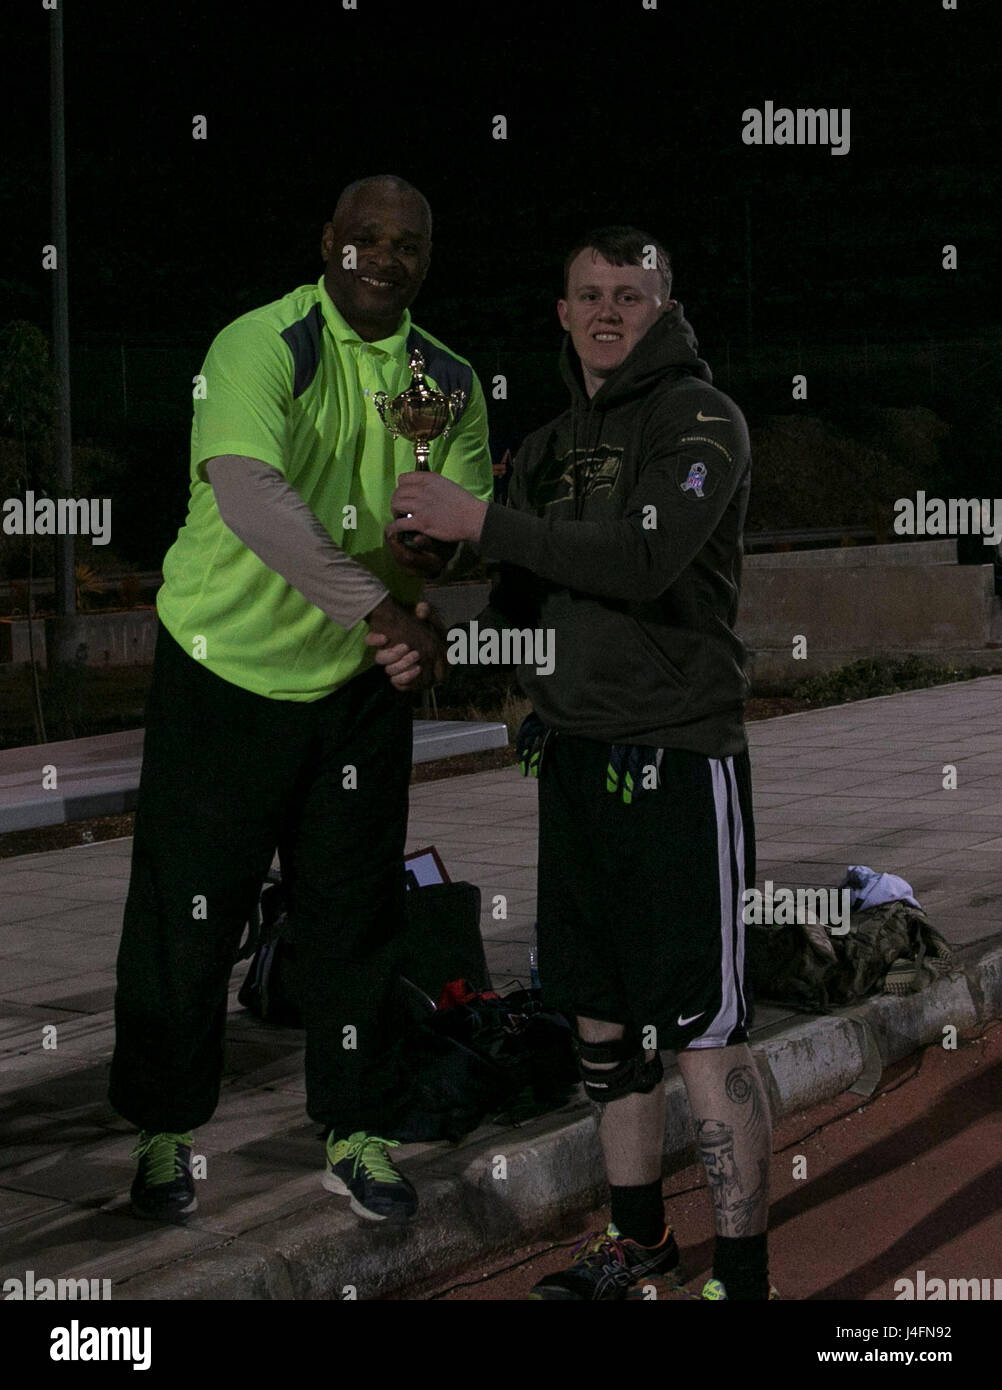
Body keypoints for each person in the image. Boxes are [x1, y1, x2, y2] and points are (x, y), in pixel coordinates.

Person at [372, 226, 775, 1298]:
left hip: (679, 758)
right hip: (577, 764)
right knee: (600, 1020)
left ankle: (742, 1275)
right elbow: (518, 595)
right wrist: (430, 627)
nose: (608, 311)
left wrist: (486, 519)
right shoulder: (547, 445)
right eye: (589, 294)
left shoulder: (702, 419)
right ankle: (637, 1238)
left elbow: (645, 558)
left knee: (706, 1030)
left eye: (630, 295)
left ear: (663, 305)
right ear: (561, 313)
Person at [109, 175, 492, 1225]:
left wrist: (425, 582)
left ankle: (355, 1132)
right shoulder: (259, 343)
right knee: (187, 918)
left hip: (354, 689)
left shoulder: (449, 378)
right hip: (222, 670)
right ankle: (164, 1133)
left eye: (407, 242)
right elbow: (249, 497)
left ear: (425, 258)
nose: (385, 255)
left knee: (355, 923)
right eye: (365, 236)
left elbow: (445, 524)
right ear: (327, 243)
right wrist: (387, 608)